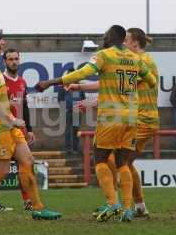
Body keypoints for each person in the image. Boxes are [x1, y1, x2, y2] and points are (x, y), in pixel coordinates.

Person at [35, 25, 156, 222]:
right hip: (131, 116)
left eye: (106, 35)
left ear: (111, 37)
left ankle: (111, 203)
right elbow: (150, 81)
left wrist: (51, 82)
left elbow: (83, 72)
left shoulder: (104, 55)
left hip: (111, 116)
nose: (104, 37)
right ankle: (127, 208)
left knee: (100, 159)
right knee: (122, 162)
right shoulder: (136, 59)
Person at [0, 27, 61, 221]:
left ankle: (38, 208)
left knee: (27, 162)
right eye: (1, 40)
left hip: (9, 126)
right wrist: (12, 119)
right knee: (2, 171)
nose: (4, 43)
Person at [67, 28, 158, 218]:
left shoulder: (142, 61)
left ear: (134, 43)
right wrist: (79, 86)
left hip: (141, 118)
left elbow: (119, 93)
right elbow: (113, 85)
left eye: (127, 41)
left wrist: (90, 100)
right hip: (137, 117)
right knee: (121, 162)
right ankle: (128, 204)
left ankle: (123, 203)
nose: (123, 44)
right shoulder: (137, 61)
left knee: (116, 160)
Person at [0, 48, 34, 212]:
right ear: (4, 62)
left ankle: (28, 200)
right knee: (0, 168)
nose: (14, 62)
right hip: (2, 129)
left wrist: (29, 128)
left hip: (18, 131)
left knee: (27, 163)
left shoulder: (22, 82)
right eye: (10, 59)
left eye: (16, 58)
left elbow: (25, 106)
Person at [57, 69, 85, 155]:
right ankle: (68, 149)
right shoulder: (63, 86)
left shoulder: (79, 86)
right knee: (68, 130)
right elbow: (60, 98)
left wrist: (81, 107)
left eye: (73, 74)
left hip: (77, 111)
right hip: (68, 111)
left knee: (75, 130)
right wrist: (64, 108)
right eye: (70, 74)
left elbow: (83, 98)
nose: (71, 76)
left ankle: (76, 148)